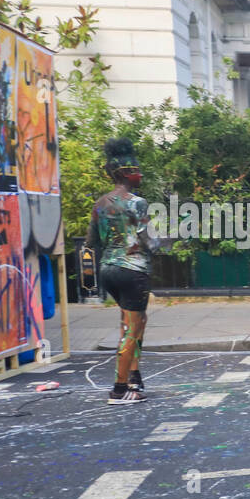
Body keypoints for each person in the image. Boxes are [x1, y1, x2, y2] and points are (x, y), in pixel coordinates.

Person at [92, 138, 157, 404]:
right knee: (132, 329)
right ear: (126, 174)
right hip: (133, 270)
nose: (140, 174)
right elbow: (146, 241)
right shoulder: (137, 203)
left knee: (134, 322)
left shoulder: (100, 203)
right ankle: (119, 389)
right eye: (137, 171)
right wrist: (162, 242)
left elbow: (93, 241)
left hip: (108, 269)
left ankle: (134, 377)